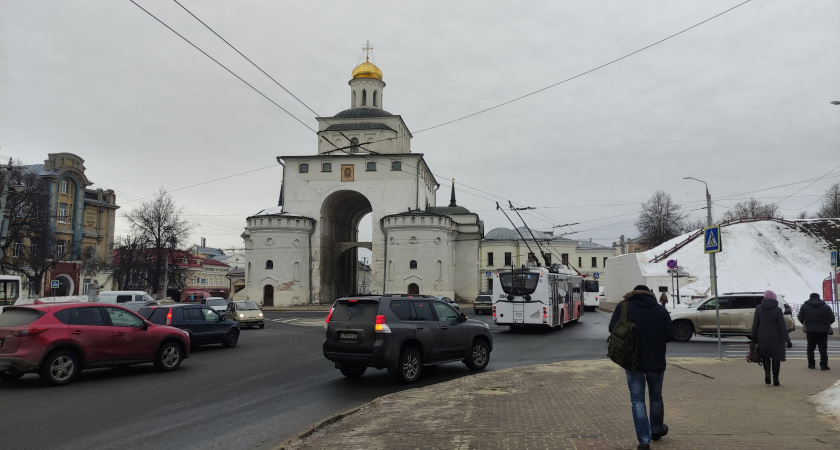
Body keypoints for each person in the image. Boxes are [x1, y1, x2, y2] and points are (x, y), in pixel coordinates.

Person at [609, 285, 674, 450]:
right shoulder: (660, 310)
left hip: (632, 361)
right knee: (656, 397)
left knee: (637, 400)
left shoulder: (623, 306)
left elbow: (612, 329)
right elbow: (670, 335)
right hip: (656, 361)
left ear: (633, 294)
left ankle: (644, 441)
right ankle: (657, 430)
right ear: (650, 295)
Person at [751, 290, 792, 386]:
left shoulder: (759, 308)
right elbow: (782, 326)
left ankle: (767, 374)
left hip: (763, 337)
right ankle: (776, 378)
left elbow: (755, 324)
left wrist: (753, 336)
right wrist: (787, 340)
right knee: (776, 358)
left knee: (765, 357)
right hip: (777, 338)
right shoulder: (777, 310)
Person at [797, 292, 835, 370]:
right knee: (823, 348)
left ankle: (811, 364)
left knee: (810, 347)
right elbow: (832, 318)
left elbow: (800, 317)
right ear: (819, 297)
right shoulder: (826, 307)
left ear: (810, 297)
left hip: (810, 331)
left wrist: (807, 324)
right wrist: (825, 324)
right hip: (823, 331)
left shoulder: (804, 306)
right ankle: (824, 365)